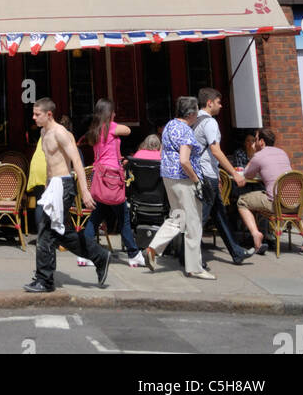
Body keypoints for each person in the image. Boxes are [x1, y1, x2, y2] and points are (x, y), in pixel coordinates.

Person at [24, 97, 110, 293]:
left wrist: (85, 191)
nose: (34, 117)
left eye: (37, 114)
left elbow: (76, 162)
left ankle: (44, 280)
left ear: (49, 114)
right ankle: (100, 256)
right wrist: (47, 187)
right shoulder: (43, 132)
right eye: (34, 113)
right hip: (53, 186)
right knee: (61, 233)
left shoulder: (61, 133)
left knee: (45, 232)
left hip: (63, 185)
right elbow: (49, 164)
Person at [144, 95, 213, 279]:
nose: (197, 115)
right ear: (190, 113)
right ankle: (195, 267)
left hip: (168, 177)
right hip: (184, 180)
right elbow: (184, 160)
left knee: (177, 217)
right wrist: (196, 180)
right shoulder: (186, 131)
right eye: (196, 112)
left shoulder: (169, 126)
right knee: (193, 224)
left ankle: (153, 248)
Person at [81, 99, 145, 268]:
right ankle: (133, 254)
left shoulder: (94, 130)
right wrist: (112, 122)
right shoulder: (109, 128)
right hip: (112, 178)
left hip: (100, 175)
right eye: (113, 112)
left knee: (95, 217)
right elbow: (128, 130)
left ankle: (85, 254)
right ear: (108, 114)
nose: (115, 115)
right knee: (123, 217)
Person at [193, 87, 253, 266]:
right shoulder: (210, 122)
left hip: (204, 173)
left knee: (219, 214)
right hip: (207, 175)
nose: (221, 106)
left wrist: (216, 172)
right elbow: (215, 150)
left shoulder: (194, 121)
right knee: (200, 218)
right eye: (218, 102)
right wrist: (233, 173)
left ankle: (236, 251)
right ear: (209, 103)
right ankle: (188, 255)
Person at [237, 128, 292, 253]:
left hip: (274, 203)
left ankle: (256, 234)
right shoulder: (282, 153)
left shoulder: (259, 155)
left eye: (255, 140)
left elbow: (247, 174)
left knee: (242, 201)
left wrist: (254, 155)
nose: (254, 143)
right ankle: (268, 235)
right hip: (292, 202)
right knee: (261, 195)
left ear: (261, 142)